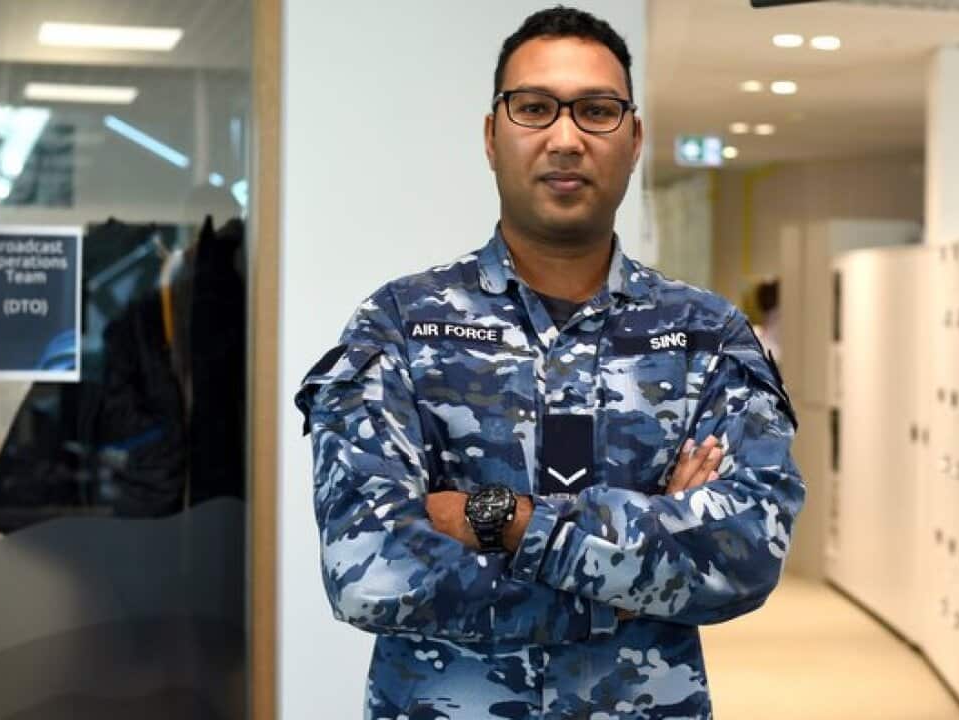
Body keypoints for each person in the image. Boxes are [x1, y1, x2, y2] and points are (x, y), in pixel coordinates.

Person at [294, 7, 804, 718]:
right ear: (491, 135)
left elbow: (744, 553)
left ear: (633, 140)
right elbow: (368, 569)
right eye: (534, 108)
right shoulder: (401, 326)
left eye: (597, 111)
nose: (565, 138)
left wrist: (497, 519)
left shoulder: (706, 337)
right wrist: (630, 575)